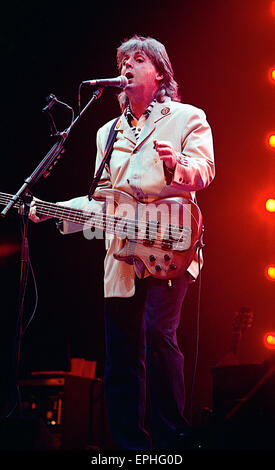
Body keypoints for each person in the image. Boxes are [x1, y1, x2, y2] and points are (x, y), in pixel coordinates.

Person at [28, 35, 215, 450]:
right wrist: (51, 208)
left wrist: (176, 165)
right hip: (121, 255)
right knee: (121, 355)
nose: (127, 66)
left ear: (159, 72)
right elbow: (102, 199)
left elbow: (205, 171)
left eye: (137, 59)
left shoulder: (187, 117)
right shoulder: (105, 133)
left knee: (158, 334)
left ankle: (174, 441)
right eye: (122, 60)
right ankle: (131, 447)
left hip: (171, 242)